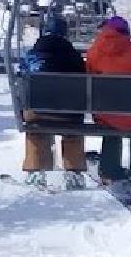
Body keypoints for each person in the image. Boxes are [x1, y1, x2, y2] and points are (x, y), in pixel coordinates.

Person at [84, 16, 131, 195]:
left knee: (111, 127)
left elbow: (89, 75)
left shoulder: (94, 52)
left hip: (107, 113)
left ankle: (109, 170)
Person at [21, 11, 88, 189]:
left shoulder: (33, 55)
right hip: (69, 115)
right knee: (73, 131)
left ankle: (36, 170)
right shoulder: (75, 58)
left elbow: (21, 78)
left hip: (38, 112)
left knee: (36, 130)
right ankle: (74, 172)